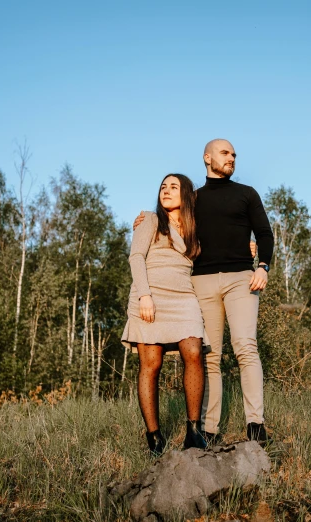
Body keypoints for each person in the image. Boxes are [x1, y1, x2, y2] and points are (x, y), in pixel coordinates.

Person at [135, 139, 274, 444]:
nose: (232, 158)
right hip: (200, 281)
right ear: (207, 158)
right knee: (210, 357)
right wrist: (144, 220)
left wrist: (262, 265)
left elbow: (264, 232)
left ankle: (255, 424)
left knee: (246, 347)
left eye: (235, 154)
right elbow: (169, 222)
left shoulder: (247, 194)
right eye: (226, 153)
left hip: (242, 278)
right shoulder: (192, 201)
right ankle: (208, 430)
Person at [122, 173, 209, 456]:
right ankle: (154, 438)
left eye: (174, 187)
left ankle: (194, 431)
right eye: (163, 187)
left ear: (186, 195)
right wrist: (144, 296)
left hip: (184, 298)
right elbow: (136, 256)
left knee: (194, 352)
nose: (166, 191)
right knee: (152, 365)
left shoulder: (195, 228)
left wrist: (249, 249)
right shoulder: (149, 219)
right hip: (150, 295)